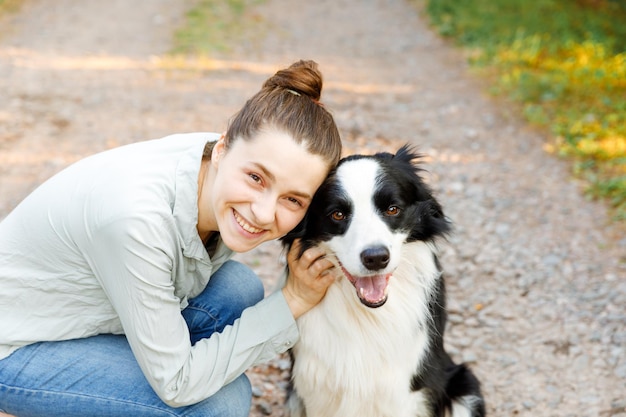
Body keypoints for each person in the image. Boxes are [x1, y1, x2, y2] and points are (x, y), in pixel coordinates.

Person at [0, 59, 342, 417]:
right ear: (223, 148)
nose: (263, 212)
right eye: (257, 178)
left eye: (292, 199)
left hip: (82, 309)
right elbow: (178, 384)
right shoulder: (136, 219)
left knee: (238, 291)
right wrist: (292, 302)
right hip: (17, 342)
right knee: (218, 405)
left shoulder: (217, 162)